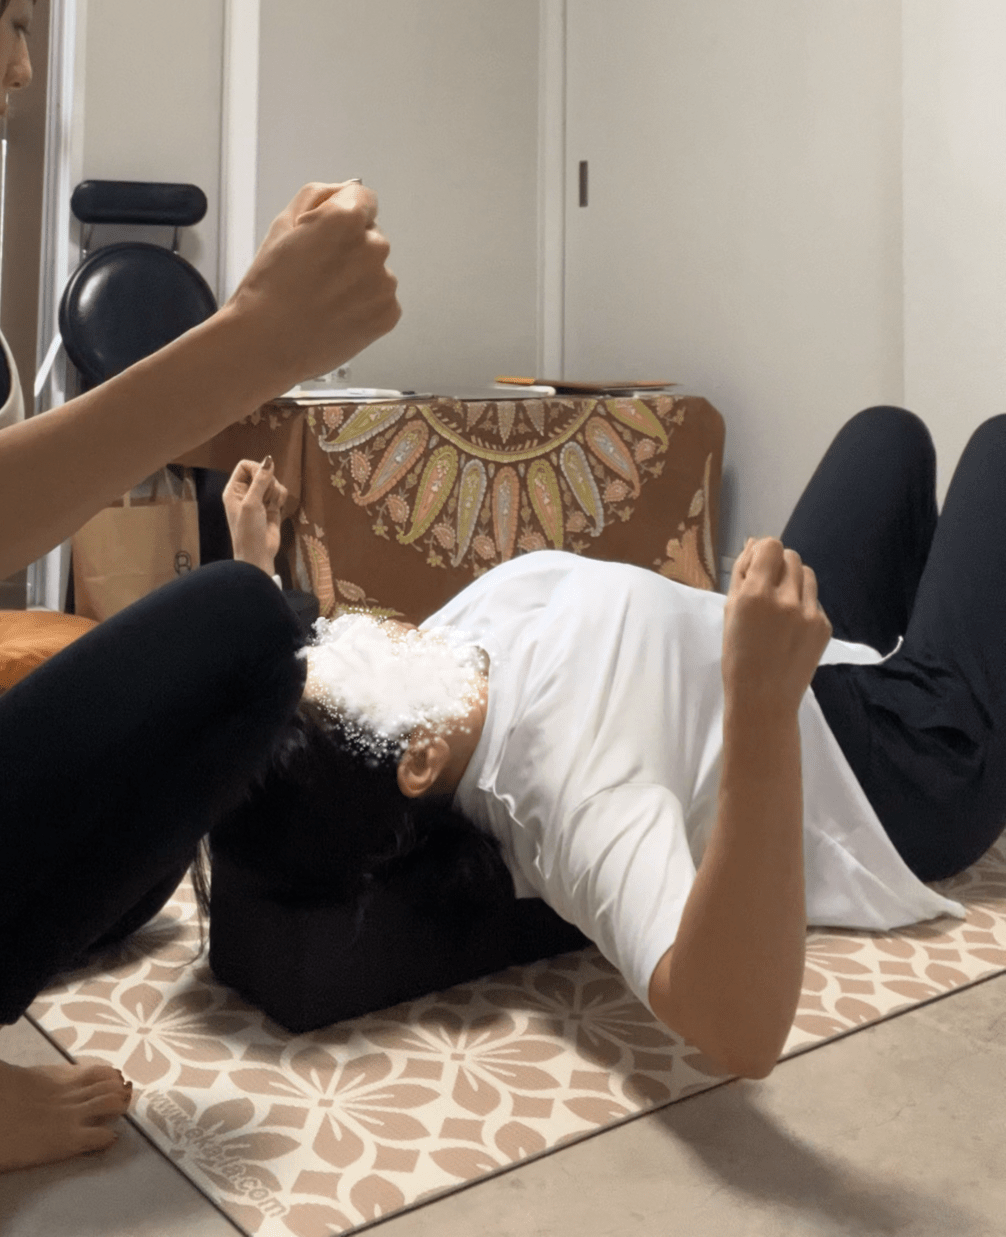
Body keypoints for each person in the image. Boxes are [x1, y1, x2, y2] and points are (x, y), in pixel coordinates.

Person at [0, 0, 400, 1206]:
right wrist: (254, 336)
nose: (25, 68)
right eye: (15, 17)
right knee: (242, 630)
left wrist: (247, 373)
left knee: (133, 867)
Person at [214, 405, 1006, 1081]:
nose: (342, 628)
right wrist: (760, 705)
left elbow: (302, 737)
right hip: (902, 760)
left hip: (802, 653)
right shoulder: (569, 792)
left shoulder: (439, 670)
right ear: (417, 760)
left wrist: (255, 569)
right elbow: (738, 1030)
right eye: (338, 661)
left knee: (887, 434)